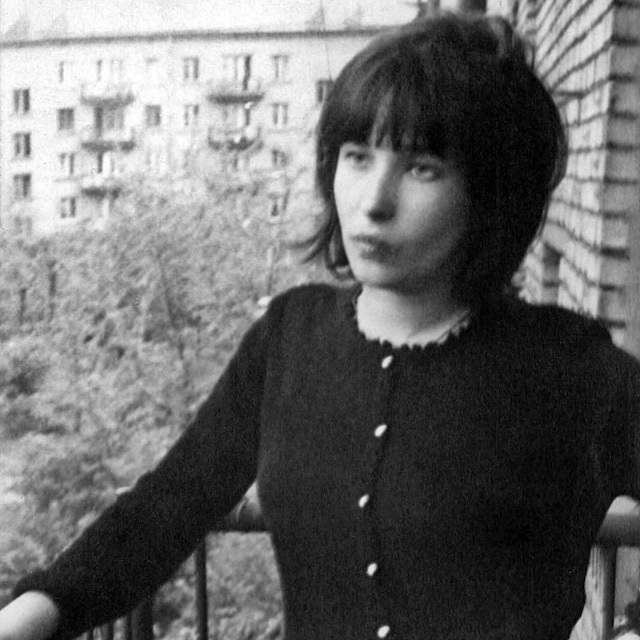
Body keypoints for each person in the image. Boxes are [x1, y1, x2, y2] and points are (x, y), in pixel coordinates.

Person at [2, 11, 640, 640]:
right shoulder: (290, 338)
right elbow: (169, 504)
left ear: (492, 193)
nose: (374, 202)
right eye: (357, 156)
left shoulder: (570, 368)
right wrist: (43, 605)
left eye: (423, 168)